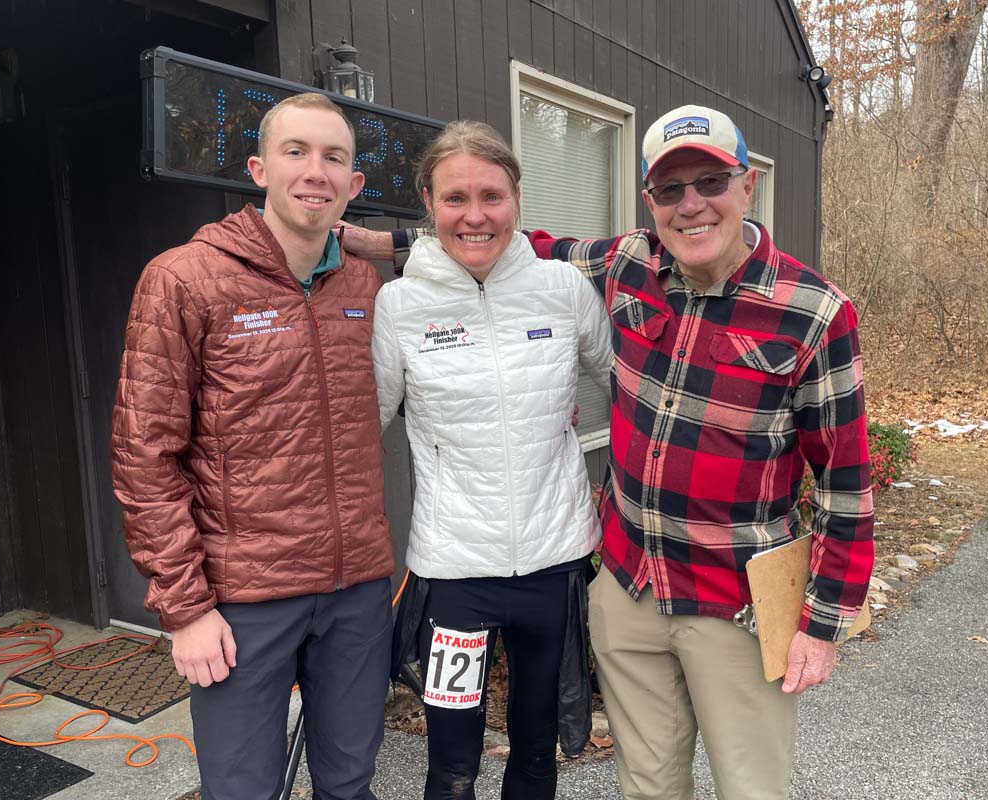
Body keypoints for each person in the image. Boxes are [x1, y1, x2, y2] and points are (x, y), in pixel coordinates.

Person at [345, 104, 875, 800]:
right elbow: (497, 237)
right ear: (650, 199)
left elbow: (846, 484)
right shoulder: (630, 263)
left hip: (731, 599)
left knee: (751, 787)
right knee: (643, 785)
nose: (692, 205)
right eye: (670, 189)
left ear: (746, 185)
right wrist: (359, 239)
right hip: (621, 588)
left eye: (710, 182)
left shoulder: (813, 310)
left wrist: (824, 621)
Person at [111, 92, 394, 800]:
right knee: (242, 789)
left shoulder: (363, 283)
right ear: (258, 167)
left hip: (356, 587)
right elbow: (145, 454)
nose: (315, 172)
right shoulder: (185, 278)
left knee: (351, 780)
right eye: (295, 152)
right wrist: (185, 608)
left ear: (354, 184)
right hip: (242, 599)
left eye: (334, 158)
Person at [371, 120, 612, 799]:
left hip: (552, 564)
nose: (474, 216)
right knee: (452, 762)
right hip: (455, 577)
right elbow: (363, 428)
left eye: (491, 196)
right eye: (455, 198)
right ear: (428, 202)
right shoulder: (400, 306)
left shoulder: (561, 289)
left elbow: (629, 387)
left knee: (536, 751)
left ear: (516, 198)